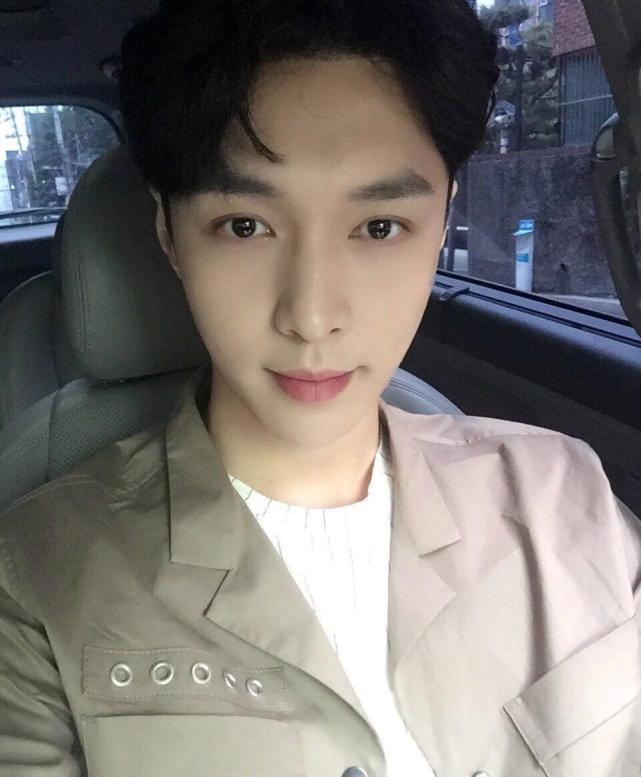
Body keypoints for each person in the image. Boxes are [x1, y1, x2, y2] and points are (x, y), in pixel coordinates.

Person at [1, 1, 641, 775]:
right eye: (245, 225)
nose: (310, 316)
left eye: (378, 227)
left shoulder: (562, 494)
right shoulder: (39, 575)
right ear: (169, 233)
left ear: (441, 223)